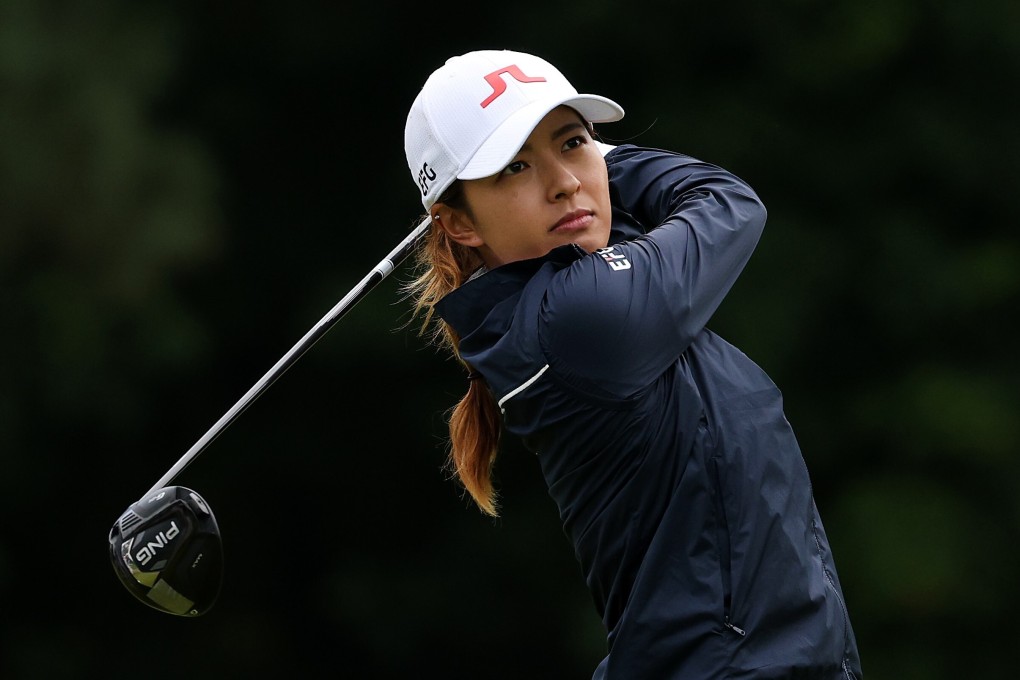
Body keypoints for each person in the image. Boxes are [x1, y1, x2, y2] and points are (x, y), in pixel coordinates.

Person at [401, 49, 863, 679]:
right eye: (514, 167)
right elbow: (726, 200)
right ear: (459, 224)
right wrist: (600, 161)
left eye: (572, 142)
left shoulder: (571, 287)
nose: (562, 182)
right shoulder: (582, 319)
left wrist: (577, 163)